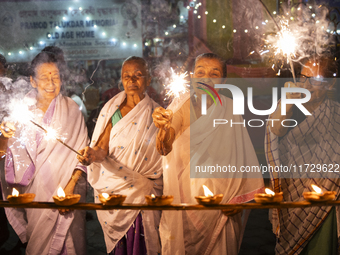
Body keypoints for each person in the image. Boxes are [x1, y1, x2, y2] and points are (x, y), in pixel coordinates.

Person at [152, 53, 264, 255]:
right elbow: (165, 147)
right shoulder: (181, 106)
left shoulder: (230, 108)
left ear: (224, 80)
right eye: (201, 72)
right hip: (188, 199)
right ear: (192, 77)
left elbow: (241, 157)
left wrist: (238, 199)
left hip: (225, 201)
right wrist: (163, 128)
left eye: (214, 73)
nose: (206, 78)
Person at [0, 51, 88, 254]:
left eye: (55, 76)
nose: (51, 82)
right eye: (44, 77)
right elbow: (6, 153)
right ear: (32, 81)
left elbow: (81, 153)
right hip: (36, 193)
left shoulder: (71, 109)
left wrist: (71, 187)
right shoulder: (20, 112)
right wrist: (4, 134)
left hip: (68, 193)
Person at [77, 56, 163, 255]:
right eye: (127, 76)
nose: (132, 80)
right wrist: (90, 154)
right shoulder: (113, 110)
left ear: (148, 80)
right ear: (121, 81)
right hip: (117, 188)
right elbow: (101, 149)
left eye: (138, 75)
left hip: (146, 190)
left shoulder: (157, 113)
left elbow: (165, 152)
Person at [265, 56, 340, 254]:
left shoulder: (336, 113)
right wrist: (288, 101)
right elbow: (276, 130)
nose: (306, 84)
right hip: (293, 195)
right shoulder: (289, 104)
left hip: (327, 200)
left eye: (314, 79)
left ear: (331, 83)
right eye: (303, 77)